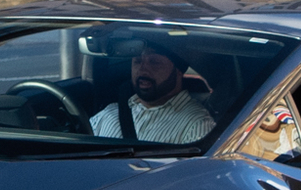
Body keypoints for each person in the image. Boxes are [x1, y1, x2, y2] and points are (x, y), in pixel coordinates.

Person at [87, 36, 217, 143]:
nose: (143, 69)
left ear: (178, 70)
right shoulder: (109, 114)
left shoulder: (196, 125)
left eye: (154, 62)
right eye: (137, 61)